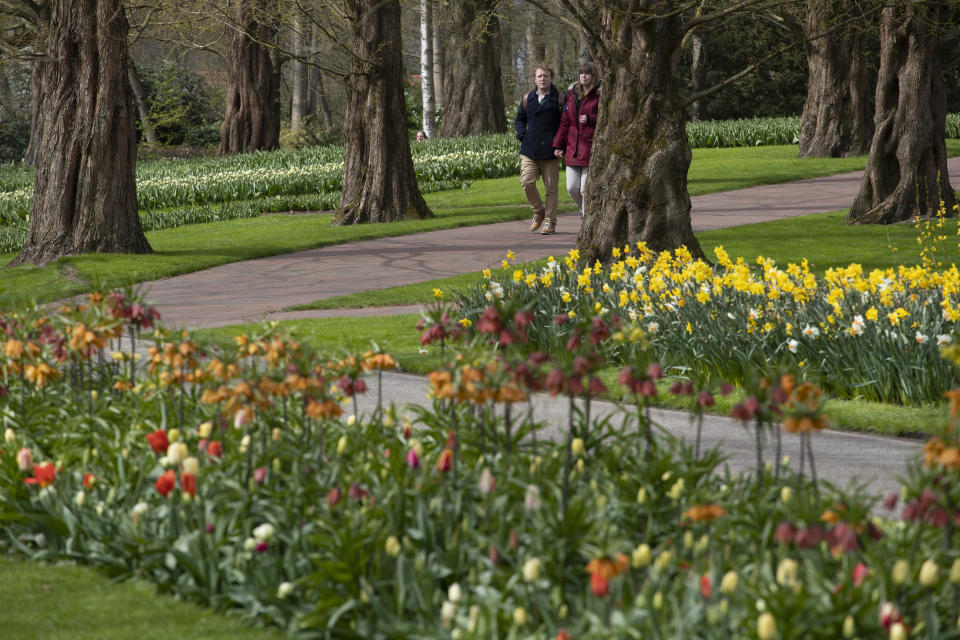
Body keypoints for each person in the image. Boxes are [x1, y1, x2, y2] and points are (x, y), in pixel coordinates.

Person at [514, 64, 564, 235]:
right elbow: (519, 119)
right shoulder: (528, 98)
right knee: (526, 182)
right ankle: (538, 211)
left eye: (546, 76)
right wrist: (522, 135)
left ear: (552, 78)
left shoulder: (559, 99)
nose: (543, 79)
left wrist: (559, 145)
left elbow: (565, 124)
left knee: (551, 189)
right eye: (540, 76)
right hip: (530, 150)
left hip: (551, 151)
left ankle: (550, 222)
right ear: (535, 78)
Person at [553, 61, 600, 222]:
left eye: (587, 73)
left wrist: (590, 119)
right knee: (572, 188)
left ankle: (588, 221)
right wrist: (558, 145)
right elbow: (565, 122)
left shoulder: (600, 96)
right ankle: (585, 212)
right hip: (573, 149)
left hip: (590, 147)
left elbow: (608, 118)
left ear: (593, 76)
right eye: (581, 73)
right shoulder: (572, 96)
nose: (583, 76)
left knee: (584, 190)